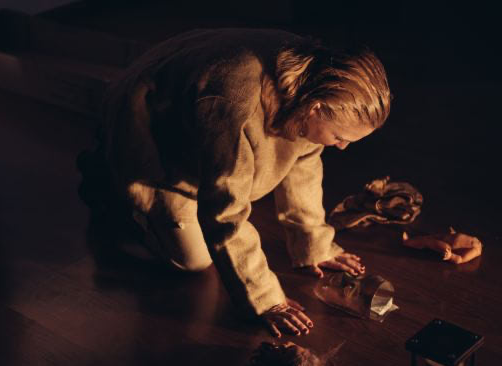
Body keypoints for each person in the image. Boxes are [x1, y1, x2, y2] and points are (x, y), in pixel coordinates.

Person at [78, 28, 391, 338]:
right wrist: (265, 299)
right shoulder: (232, 103)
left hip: (201, 128)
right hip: (156, 134)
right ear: (316, 109)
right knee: (193, 260)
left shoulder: (312, 85)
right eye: (340, 137)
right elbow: (226, 213)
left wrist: (314, 244)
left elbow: (304, 165)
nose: (342, 147)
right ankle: (108, 180)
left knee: (218, 212)